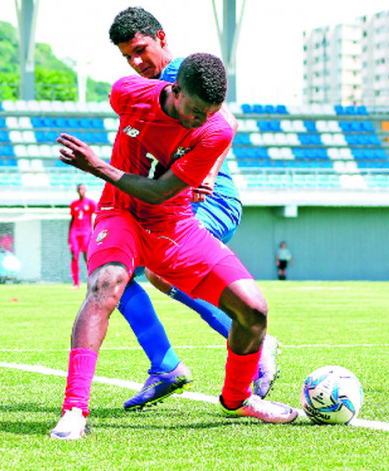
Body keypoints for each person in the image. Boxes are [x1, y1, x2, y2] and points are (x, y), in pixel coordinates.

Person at [49, 53, 297, 440]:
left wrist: (98, 166)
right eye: (196, 110)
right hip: (121, 215)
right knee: (107, 285)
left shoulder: (216, 130)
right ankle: (74, 410)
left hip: (174, 224)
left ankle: (238, 399)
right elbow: (132, 122)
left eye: (211, 112)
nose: (202, 120)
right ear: (175, 91)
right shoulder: (127, 93)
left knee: (253, 309)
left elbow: (161, 191)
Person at [106, 6, 280, 411]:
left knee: (159, 272)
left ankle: (255, 342)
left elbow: (229, 122)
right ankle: (166, 365)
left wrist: (208, 175)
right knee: (113, 274)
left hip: (210, 198)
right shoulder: (145, 90)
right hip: (172, 202)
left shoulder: (182, 72)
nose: (136, 62)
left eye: (140, 50)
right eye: (127, 57)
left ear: (161, 39)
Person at [68, 183, 97, 289]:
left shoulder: (90, 203)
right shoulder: (74, 204)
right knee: (74, 256)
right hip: (75, 232)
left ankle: (92, 280)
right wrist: (69, 235)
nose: (81, 191)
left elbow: (95, 216)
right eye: (79, 189)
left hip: (86, 232)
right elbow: (72, 220)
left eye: (83, 189)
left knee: (87, 257)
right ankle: (76, 283)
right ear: (77, 191)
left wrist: (95, 232)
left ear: (86, 190)